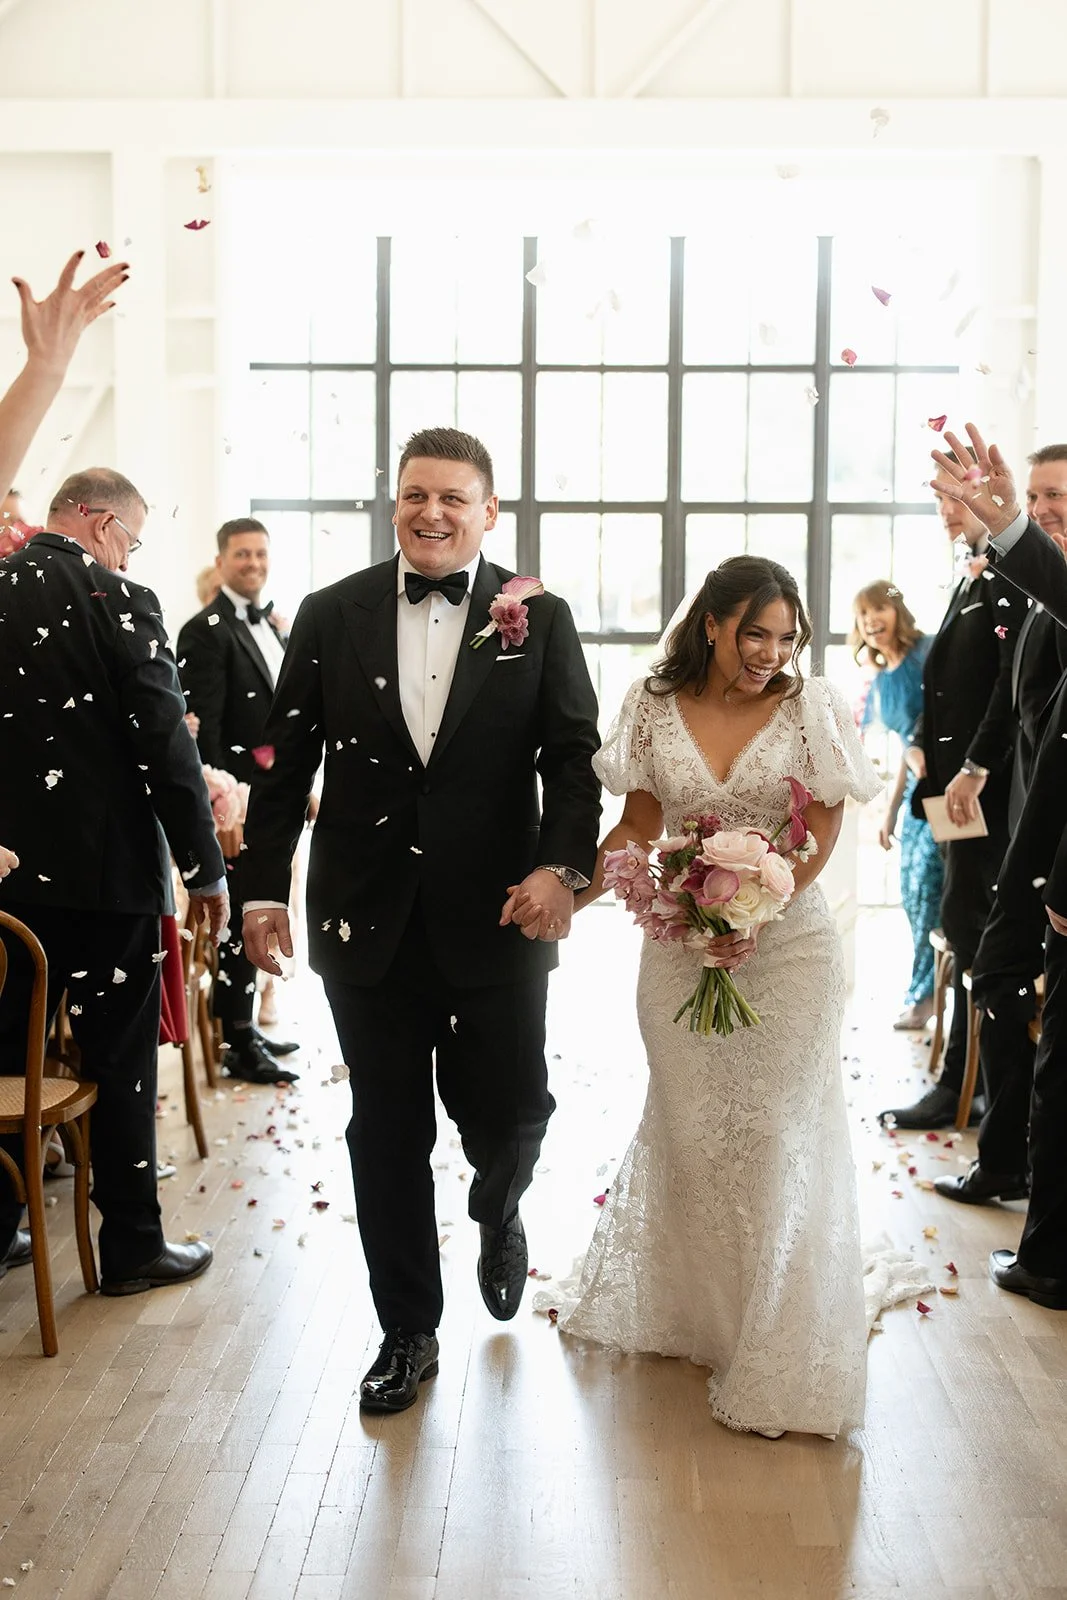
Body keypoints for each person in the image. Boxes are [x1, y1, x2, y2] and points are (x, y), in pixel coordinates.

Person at [240, 427, 602, 1413]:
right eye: (413, 494)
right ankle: (407, 1329)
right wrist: (263, 887)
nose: (430, 512)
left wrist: (560, 867)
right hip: (366, 922)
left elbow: (574, 760)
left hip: (500, 916)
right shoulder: (330, 612)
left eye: (452, 496)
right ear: (392, 503)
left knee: (511, 1110)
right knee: (385, 1131)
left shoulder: (539, 616)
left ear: (490, 511)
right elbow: (283, 765)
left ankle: (499, 1206)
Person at [552, 556, 882, 1438]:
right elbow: (636, 825)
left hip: (789, 950)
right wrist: (572, 895)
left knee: (775, 1134)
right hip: (680, 944)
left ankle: (772, 1340)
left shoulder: (807, 709)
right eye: (754, 634)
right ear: (711, 625)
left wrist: (760, 909)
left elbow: (820, 826)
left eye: (785, 637)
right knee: (697, 1130)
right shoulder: (654, 708)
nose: (770, 652)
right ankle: (702, 1313)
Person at [0, 468, 228, 1295]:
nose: (129, 559)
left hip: (4, 891)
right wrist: (204, 870)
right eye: (129, 541)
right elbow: (167, 747)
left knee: (3, 1057)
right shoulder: (118, 600)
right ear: (99, 525)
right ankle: (132, 1247)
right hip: (109, 884)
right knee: (119, 1067)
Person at [930, 423, 1067, 1308]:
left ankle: (1047, 1251)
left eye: (1061, 500)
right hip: (1029, 837)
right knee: (1005, 987)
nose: (1049, 514)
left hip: (1054, 860)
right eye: (1043, 498)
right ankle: (1019, 1187)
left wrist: (1010, 523)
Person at [878, 467, 1024, 1129]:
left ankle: (969, 1088)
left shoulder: (1003, 579)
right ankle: (962, 1084)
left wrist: (972, 765)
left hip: (980, 797)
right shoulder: (968, 575)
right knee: (959, 921)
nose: (941, 510)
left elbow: (1006, 686)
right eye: (935, 499)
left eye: (950, 498)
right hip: (947, 798)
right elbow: (944, 689)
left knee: (970, 927)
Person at [176, 518, 300, 1084]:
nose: (253, 563)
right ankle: (237, 1040)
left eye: (260, 553)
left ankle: (248, 1030)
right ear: (222, 560)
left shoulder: (271, 624)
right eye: (242, 554)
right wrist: (225, 803)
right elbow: (207, 730)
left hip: (272, 801)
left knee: (258, 912)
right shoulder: (205, 631)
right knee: (236, 926)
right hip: (235, 806)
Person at [851, 580, 943, 1029]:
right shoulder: (883, 679)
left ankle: (929, 997)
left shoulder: (929, 651)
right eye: (863, 614)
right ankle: (923, 993)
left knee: (931, 891)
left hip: (947, 784)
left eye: (879, 609)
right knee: (912, 895)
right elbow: (906, 751)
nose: (871, 620)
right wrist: (890, 814)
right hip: (914, 795)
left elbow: (941, 720)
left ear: (897, 612)